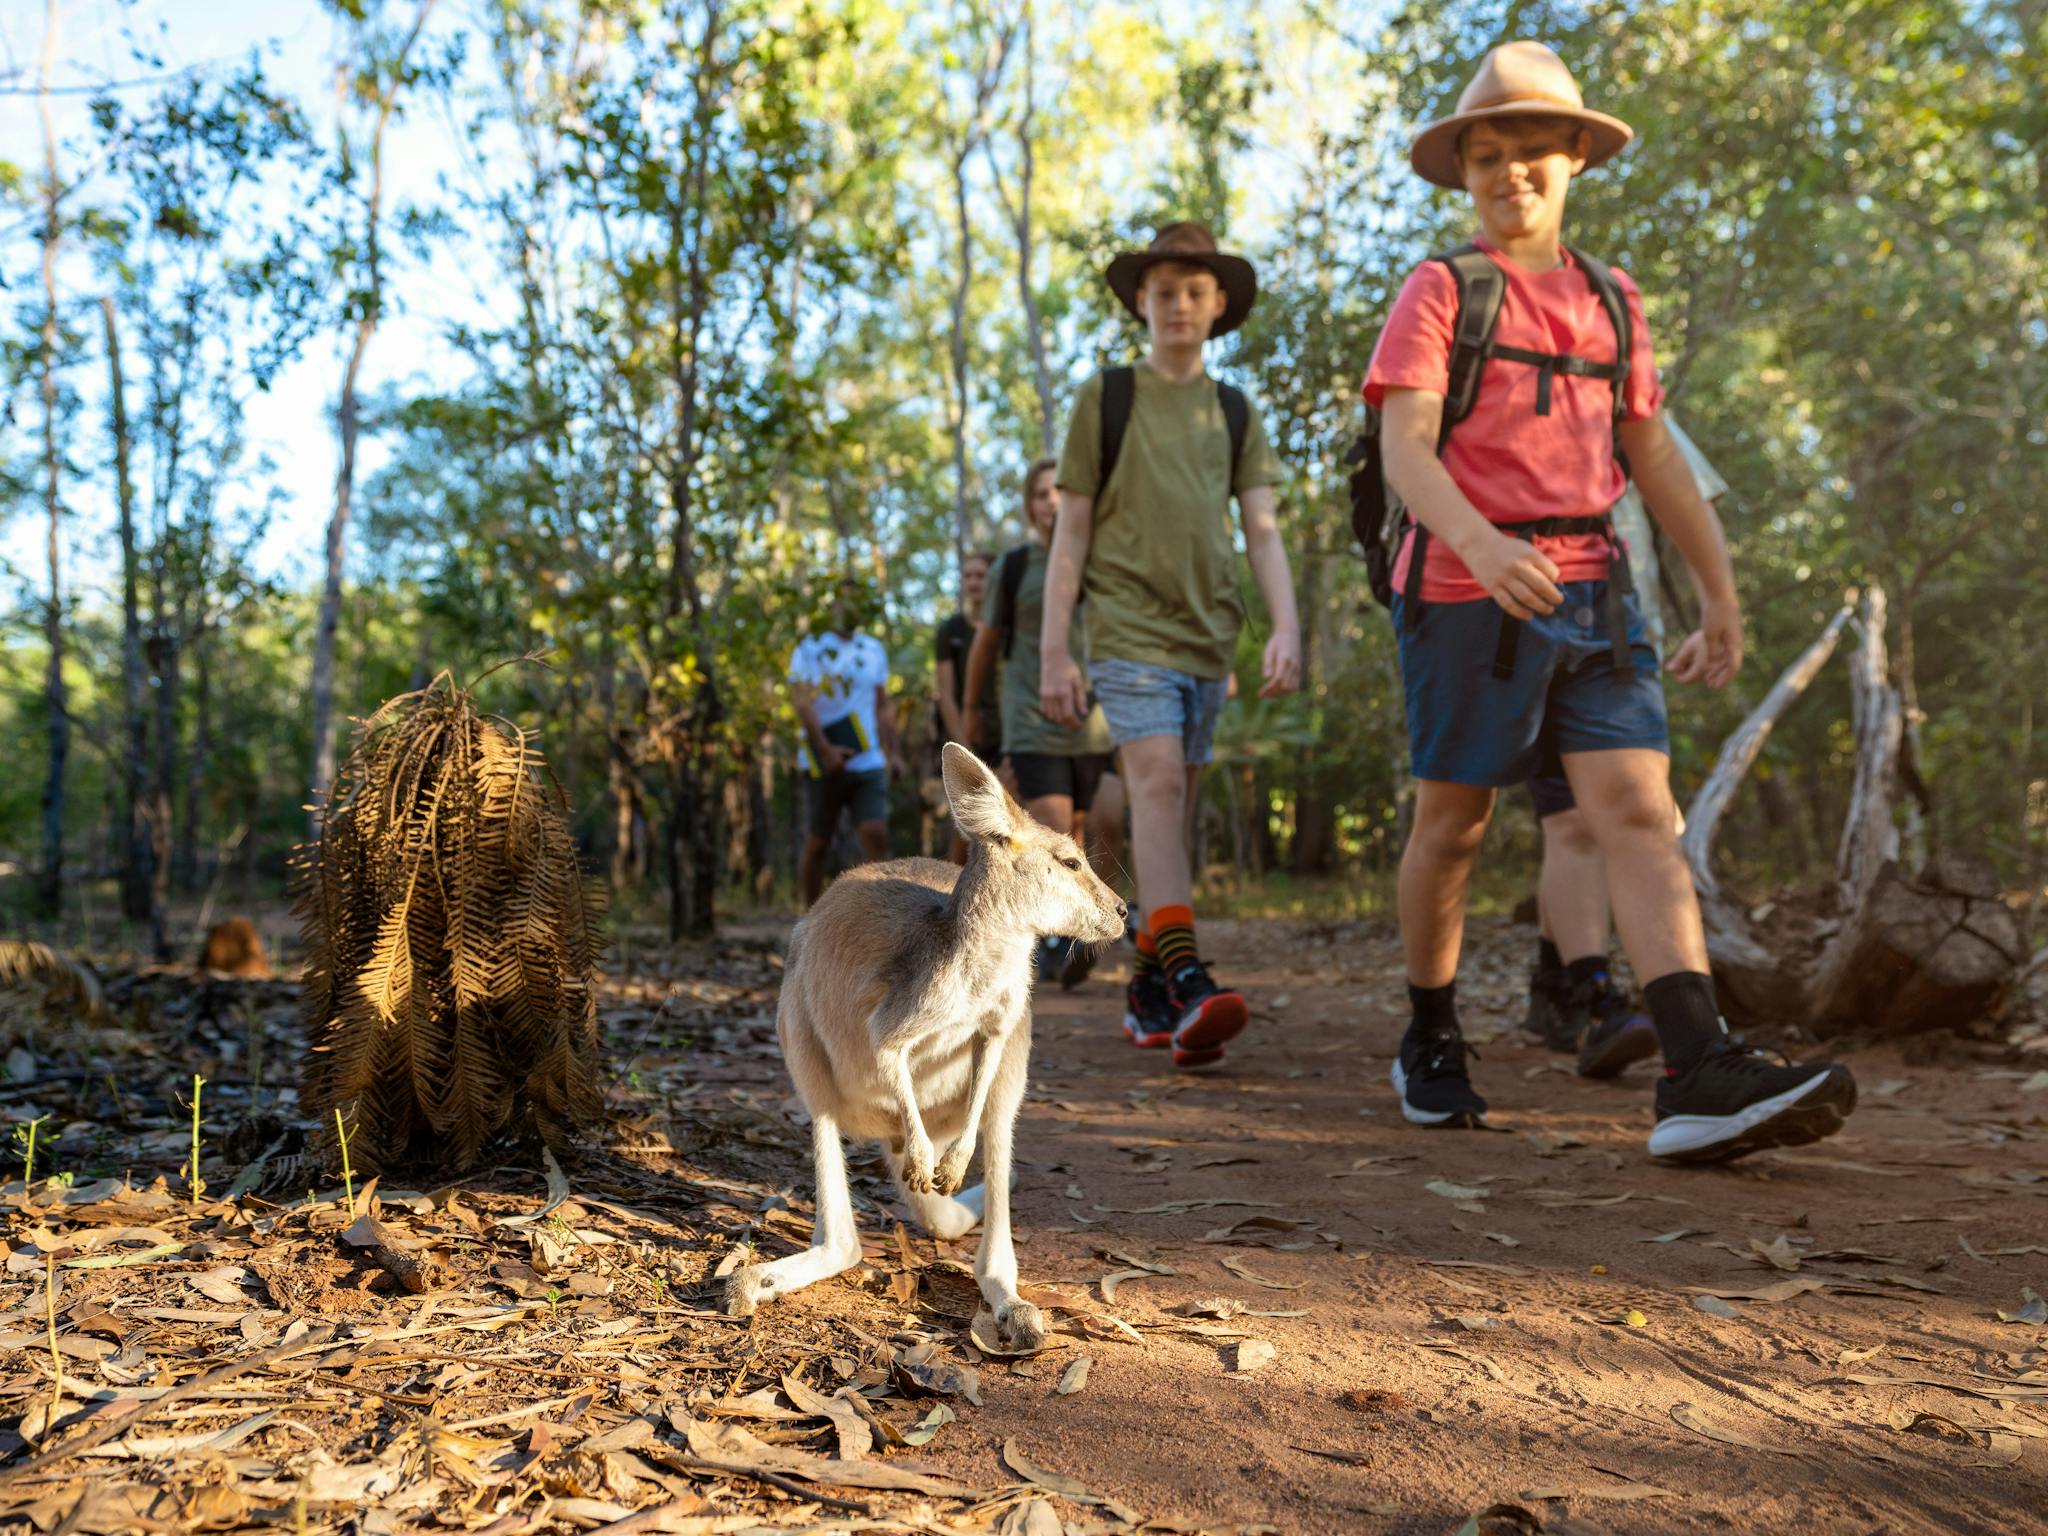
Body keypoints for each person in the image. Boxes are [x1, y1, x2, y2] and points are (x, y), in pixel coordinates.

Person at [1367, 42, 1855, 1160]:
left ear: (1575, 155)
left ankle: (1696, 1067)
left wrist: (1717, 593)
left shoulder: (1612, 301)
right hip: (1462, 595)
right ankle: (1428, 1035)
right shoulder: (1438, 289)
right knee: (1453, 828)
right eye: (1486, 155)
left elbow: (1653, 456)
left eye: (1532, 148)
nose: (1510, 173)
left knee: (1637, 811)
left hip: (1598, 594)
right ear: (1466, 174)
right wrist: (1482, 545)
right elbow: (1402, 448)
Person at [1041, 222, 1302, 1070]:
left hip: (1208, 635)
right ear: (1141, 304)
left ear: (1218, 304)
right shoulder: (1106, 398)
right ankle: (1188, 977)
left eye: (1195, 292)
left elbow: (1261, 530)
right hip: (1126, 626)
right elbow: (1070, 535)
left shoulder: (1234, 411)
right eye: (1163, 293)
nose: (1179, 306)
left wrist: (1285, 628)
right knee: (1151, 786)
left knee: (1173, 810)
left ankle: (1148, 987)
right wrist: (1055, 651)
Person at [1524, 418, 1729, 1078]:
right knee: (1573, 820)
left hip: (1628, 629)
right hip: (1532, 629)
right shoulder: (1498, 377)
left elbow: (1685, 499)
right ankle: (1591, 996)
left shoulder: (1627, 397)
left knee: (1636, 817)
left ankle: (1561, 983)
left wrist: (1714, 604)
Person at [962, 458, 1117, 987]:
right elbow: (986, 642)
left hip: (1099, 723)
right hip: (1032, 716)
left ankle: (1090, 929)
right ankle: (1057, 942)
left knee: (1100, 831)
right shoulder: (1015, 566)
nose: (1050, 501)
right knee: (1052, 831)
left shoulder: (1103, 562)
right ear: (1030, 506)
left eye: (1060, 491)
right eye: (1040, 494)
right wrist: (970, 710)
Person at [790, 578, 903, 909]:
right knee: (818, 843)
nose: (851, 607)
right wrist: (825, 750)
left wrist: (893, 752)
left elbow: (882, 705)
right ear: (832, 606)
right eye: (845, 600)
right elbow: (802, 704)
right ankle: (809, 919)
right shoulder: (811, 647)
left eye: (858, 600)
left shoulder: (872, 650)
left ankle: (887, 916)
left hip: (867, 759)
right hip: (823, 760)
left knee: (875, 833)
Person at [934, 549, 1000, 865]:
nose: (973, 582)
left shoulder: (1006, 626)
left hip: (1008, 736)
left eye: (980, 575)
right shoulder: (950, 630)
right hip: (968, 737)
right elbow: (946, 694)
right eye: (967, 576)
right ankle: (948, 894)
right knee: (966, 828)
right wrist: (963, 743)